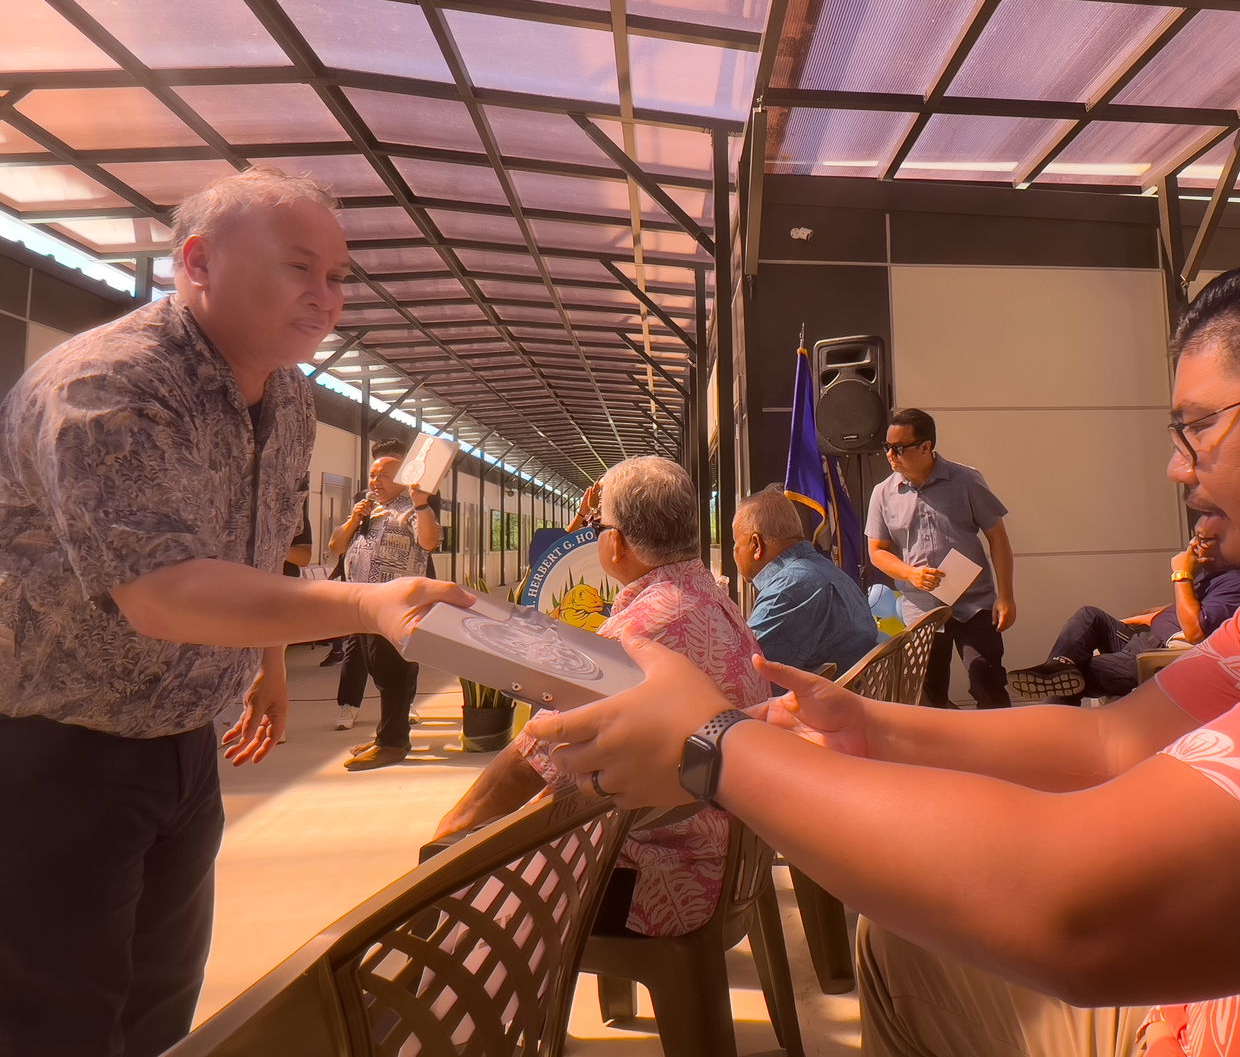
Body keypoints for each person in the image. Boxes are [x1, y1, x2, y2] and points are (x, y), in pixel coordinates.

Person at [522, 243, 1240, 1057]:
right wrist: (869, 725)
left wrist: (713, 748)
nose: (1181, 468)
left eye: (1197, 427)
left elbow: (1080, 915)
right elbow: (1110, 747)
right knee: (913, 937)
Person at [0, 167, 471, 1057]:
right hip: (54, 751)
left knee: (158, 1007)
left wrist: (263, 671)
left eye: (336, 278)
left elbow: (255, 545)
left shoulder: (283, 392)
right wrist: (367, 602)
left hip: (180, 744)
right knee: (54, 1019)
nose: (324, 297)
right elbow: (163, 588)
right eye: (300, 269)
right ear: (198, 263)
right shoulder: (112, 386)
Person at [432, 456, 765, 937]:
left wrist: (448, 833)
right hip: (727, 857)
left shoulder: (640, 632)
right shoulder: (711, 597)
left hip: (663, 876)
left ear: (616, 541)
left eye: (596, 522)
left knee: (466, 894)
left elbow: (535, 759)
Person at [866, 407, 1016, 708]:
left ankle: (1005, 746)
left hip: (974, 603)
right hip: (921, 609)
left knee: (985, 677)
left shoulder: (966, 480)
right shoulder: (883, 494)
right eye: (887, 447)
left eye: (899, 448)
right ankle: (946, 751)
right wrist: (910, 574)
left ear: (926, 447)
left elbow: (997, 536)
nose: (890, 455)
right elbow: (877, 552)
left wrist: (1006, 597)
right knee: (928, 693)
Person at [1010, 526, 1240, 702]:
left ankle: (1054, 735)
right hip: (1144, 640)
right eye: (1195, 537)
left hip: (1159, 658)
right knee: (1089, 616)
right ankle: (1057, 665)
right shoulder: (1211, 572)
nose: (1193, 546)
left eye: (1204, 540)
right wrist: (1143, 618)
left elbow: (1195, 631)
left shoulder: (1237, 581)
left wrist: (1181, 574)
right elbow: (1181, 609)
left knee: (1075, 677)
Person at [330, 451, 441, 768]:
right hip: (363, 605)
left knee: (393, 674)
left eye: (383, 475)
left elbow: (430, 542)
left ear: (403, 480)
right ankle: (385, 735)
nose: (374, 481)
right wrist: (354, 518)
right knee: (378, 670)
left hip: (395, 608)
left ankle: (393, 743)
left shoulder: (413, 511)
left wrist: (421, 504)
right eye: (373, 474)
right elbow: (335, 546)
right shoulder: (368, 511)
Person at [732, 487, 879, 677]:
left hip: (826, 705)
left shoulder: (788, 590)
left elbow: (742, 675)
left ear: (756, 544)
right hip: (856, 699)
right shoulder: (829, 571)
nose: (734, 551)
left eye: (736, 542)